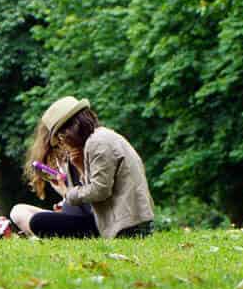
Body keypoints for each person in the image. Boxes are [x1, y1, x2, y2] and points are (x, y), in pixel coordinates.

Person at [10, 97, 154, 239]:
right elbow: (96, 189)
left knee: (38, 222)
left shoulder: (98, 143)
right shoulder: (97, 139)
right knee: (23, 213)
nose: (62, 142)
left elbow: (100, 191)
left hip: (126, 227)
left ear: (70, 128)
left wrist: (67, 194)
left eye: (61, 136)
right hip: (115, 221)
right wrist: (80, 166)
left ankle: (36, 237)